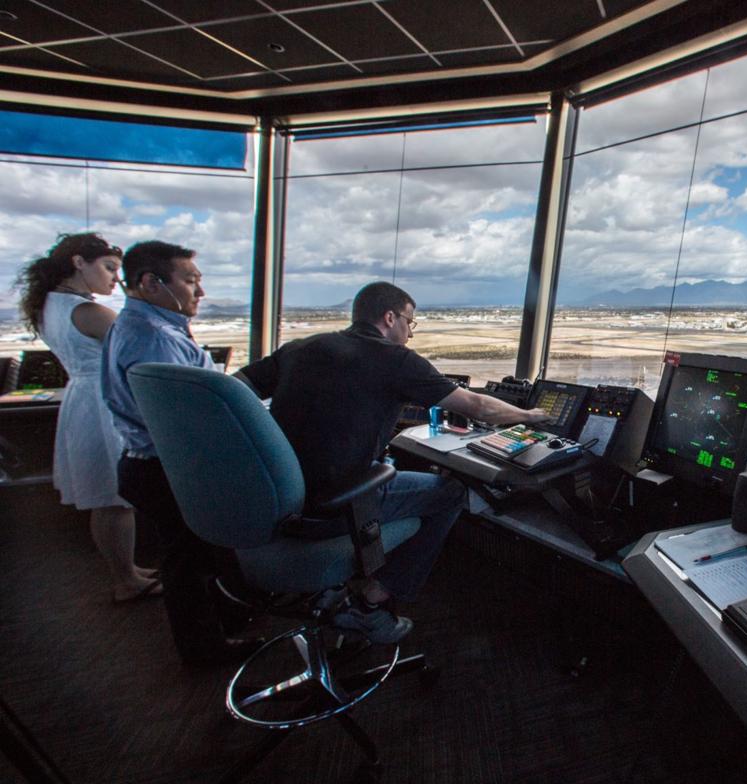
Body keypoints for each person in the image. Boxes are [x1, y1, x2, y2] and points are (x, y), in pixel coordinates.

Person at [235, 281, 549, 643]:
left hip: (277, 494)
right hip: (333, 506)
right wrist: (531, 414)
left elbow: (234, 390)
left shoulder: (300, 348)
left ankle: (346, 591)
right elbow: (478, 407)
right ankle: (372, 601)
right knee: (450, 491)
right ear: (390, 317)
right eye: (410, 323)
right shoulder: (396, 359)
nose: (410, 334)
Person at [101, 240, 258, 666]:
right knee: (187, 561)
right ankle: (205, 649)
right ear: (151, 283)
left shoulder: (141, 327)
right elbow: (187, 419)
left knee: (191, 554)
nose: (200, 293)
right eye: (190, 281)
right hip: (167, 467)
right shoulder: (153, 338)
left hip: (147, 463)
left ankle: (223, 626)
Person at [15, 233, 160, 603]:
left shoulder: (52, 304)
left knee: (104, 498)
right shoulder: (89, 311)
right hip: (104, 403)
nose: (115, 278)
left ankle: (124, 570)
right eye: (109, 268)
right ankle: (127, 580)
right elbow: (143, 343)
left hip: (83, 400)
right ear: (79, 263)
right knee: (116, 499)